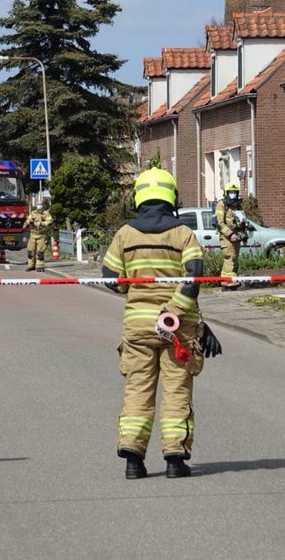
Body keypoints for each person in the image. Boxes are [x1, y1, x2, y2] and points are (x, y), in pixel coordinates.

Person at [102, 167, 221, 479]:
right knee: (177, 392)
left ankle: (132, 460)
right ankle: (174, 460)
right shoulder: (184, 235)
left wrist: (133, 285)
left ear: (139, 197)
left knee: (138, 390)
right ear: (172, 198)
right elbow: (193, 281)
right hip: (177, 330)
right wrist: (174, 313)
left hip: (138, 328)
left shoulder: (124, 235)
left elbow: (111, 280)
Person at [214, 181, 247, 290]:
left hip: (236, 236)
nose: (233, 194)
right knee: (230, 258)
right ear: (226, 192)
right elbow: (220, 223)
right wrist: (230, 234)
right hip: (227, 238)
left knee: (234, 259)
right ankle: (231, 283)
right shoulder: (222, 204)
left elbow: (241, 221)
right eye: (231, 192)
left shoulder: (237, 205)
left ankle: (226, 282)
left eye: (235, 192)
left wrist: (244, 234)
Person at [25, 201, 52, 272]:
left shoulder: (46, 213)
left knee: (40, 252)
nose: (39, 206)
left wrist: (41, 223)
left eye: (40, 204)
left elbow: (49, 222)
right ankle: (31, 266)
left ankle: (40, 267)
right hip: (33, 234)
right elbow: (27, 220)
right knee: (30, 251)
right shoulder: (33, 213)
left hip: (41, 235)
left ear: (42, 205)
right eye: (38, 204)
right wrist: (31, 222)